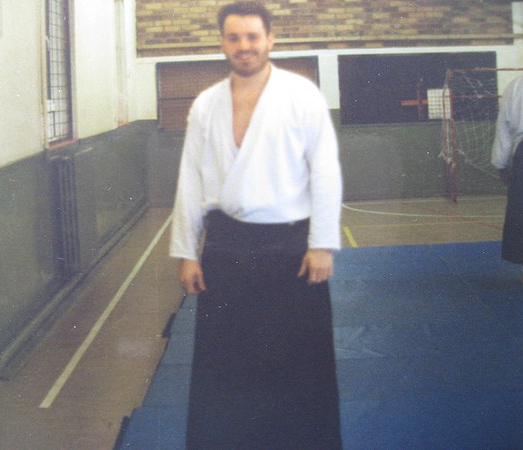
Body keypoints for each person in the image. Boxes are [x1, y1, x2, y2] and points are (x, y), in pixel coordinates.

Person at [169, 2, 343, 448]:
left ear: (270, 39)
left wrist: (322, 243)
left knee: (299, 363)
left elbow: (325, 170)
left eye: (252, 37)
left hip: (291, 246)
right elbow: (190, 178)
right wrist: (187, 251)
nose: (243, 46)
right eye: (234, 38)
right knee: (225, 364)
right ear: (223, 42)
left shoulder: (301, 94)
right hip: (225, 245)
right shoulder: (206, 104)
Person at [491, 73, 523, 285]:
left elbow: (503, 128)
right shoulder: (517, 85)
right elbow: (503, 127)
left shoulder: (517, 85)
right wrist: (501, 163)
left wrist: (501, 164)